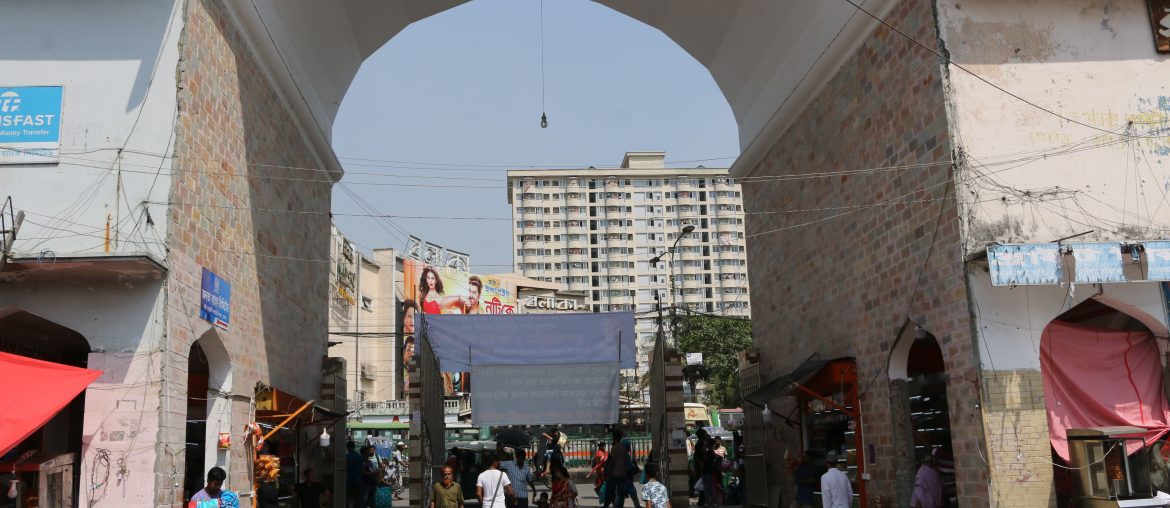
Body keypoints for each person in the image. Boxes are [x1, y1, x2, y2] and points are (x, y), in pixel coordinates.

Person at [605, 431, 631, 508]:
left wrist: (608, 471)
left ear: (614, 438)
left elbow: (612, 461)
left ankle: (606, 505)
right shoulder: (623, 448)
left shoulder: (614, 447)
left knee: (609, 491)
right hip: (622, 473)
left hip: (614, 473)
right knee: (621, 492)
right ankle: (620, 506)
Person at [346, 441, 367, 508]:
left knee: (347, 498)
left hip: (348, 480)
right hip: (358, 480)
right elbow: (363, 469)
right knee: (358, 498)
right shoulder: (360, 457)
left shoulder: (346, 457)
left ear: (348, 447)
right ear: (354, 447)